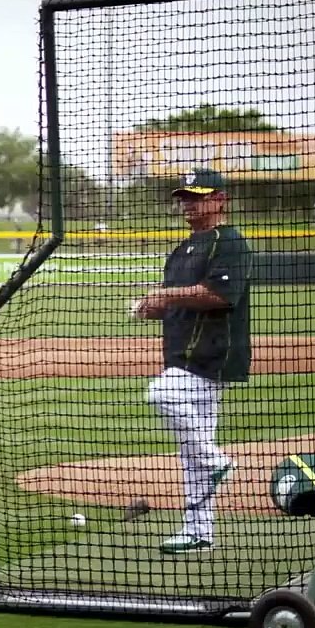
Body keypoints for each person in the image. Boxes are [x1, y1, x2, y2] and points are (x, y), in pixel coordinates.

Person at [130, 167, 251, 555]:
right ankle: (199, 530)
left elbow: (220, 296)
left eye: (197, 196)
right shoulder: (182, 249)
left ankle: (218, 461)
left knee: (161, 396)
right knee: (189, 449)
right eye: (185, 197)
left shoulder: (228, 242)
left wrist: (167, 297)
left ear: (220, 200)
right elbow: (178, 301)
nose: (189, 204)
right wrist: (155, 307)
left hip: (213, 353)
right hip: (181, 353)